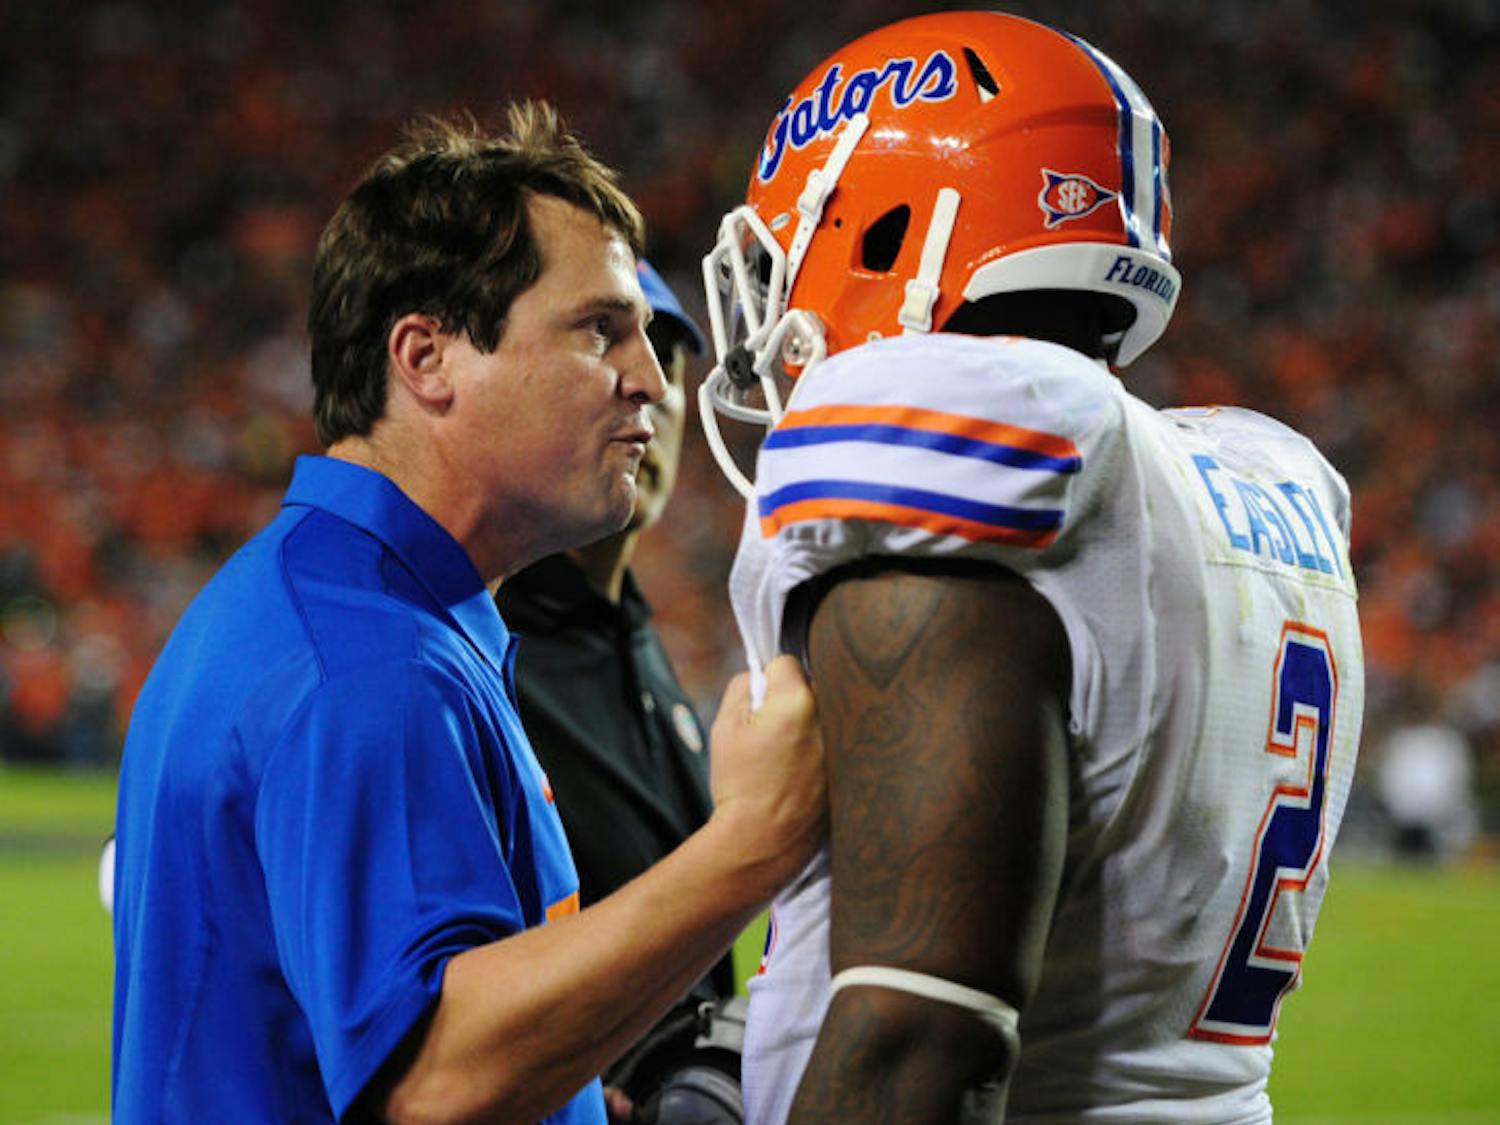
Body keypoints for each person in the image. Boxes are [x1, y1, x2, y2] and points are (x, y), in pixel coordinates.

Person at [697, 12, 1364, 1123]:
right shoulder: (1262, 479)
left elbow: (918, 1037)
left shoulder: (955, 459)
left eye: (788, 249)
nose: (774, 303)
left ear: (883, 231)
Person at [110, 102, 826, 1125]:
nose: (646, 384)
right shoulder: (371, 662)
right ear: (427, 358)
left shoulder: (330, 599)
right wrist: (759, 836)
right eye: (599, 330)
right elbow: (438, 1085)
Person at [495, 261, 742, 1120]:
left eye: (672, 361)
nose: (657, 393)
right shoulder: (483, 648)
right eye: (614, 343)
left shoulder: (635, 636)